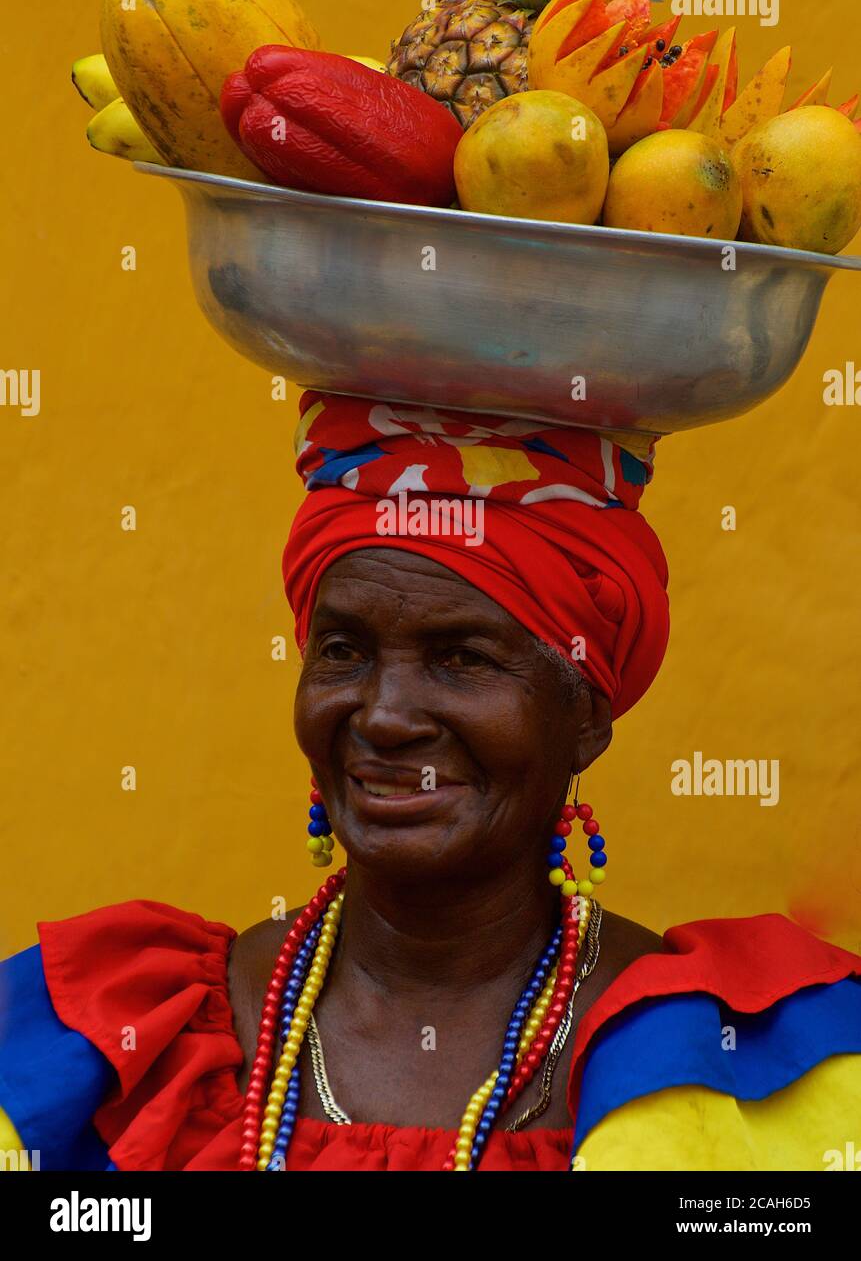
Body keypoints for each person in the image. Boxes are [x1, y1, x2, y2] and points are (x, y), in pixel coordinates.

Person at [1, 394, 859, 1172]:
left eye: (462, 658)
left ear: (587, 715)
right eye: (343, 651)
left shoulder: (753, 1062)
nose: (384, 715)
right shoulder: (113, 1041)